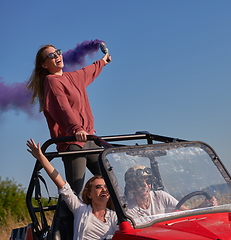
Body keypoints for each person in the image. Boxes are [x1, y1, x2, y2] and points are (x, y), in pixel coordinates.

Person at [26, 44, 111, 195]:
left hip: (89, 138)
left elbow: (88, 71)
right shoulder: (51, 82)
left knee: (111, 180)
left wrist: (103, 61)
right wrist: (76, 128)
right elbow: (62, 107)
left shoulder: (72, 77)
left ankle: (102, 215)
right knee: (74, 191)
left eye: (57, 52)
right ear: (44, 64)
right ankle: (64, 219)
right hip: (72, 142)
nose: (57, 56)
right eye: (51, 55)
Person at [26, 138, 118, 240]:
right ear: (89, 194)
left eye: (106, 187)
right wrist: (40, 157)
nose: (104, 190)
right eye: (98, 187)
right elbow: (60, 183)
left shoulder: (114, 216)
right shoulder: (80, 209)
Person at [124, 165, 217, 224]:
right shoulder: (129, 210)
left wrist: (204, 206)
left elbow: (188, 213)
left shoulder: (161, 196)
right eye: (140, 183)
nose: (145, 186)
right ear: (131, 187)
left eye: (148, 181)